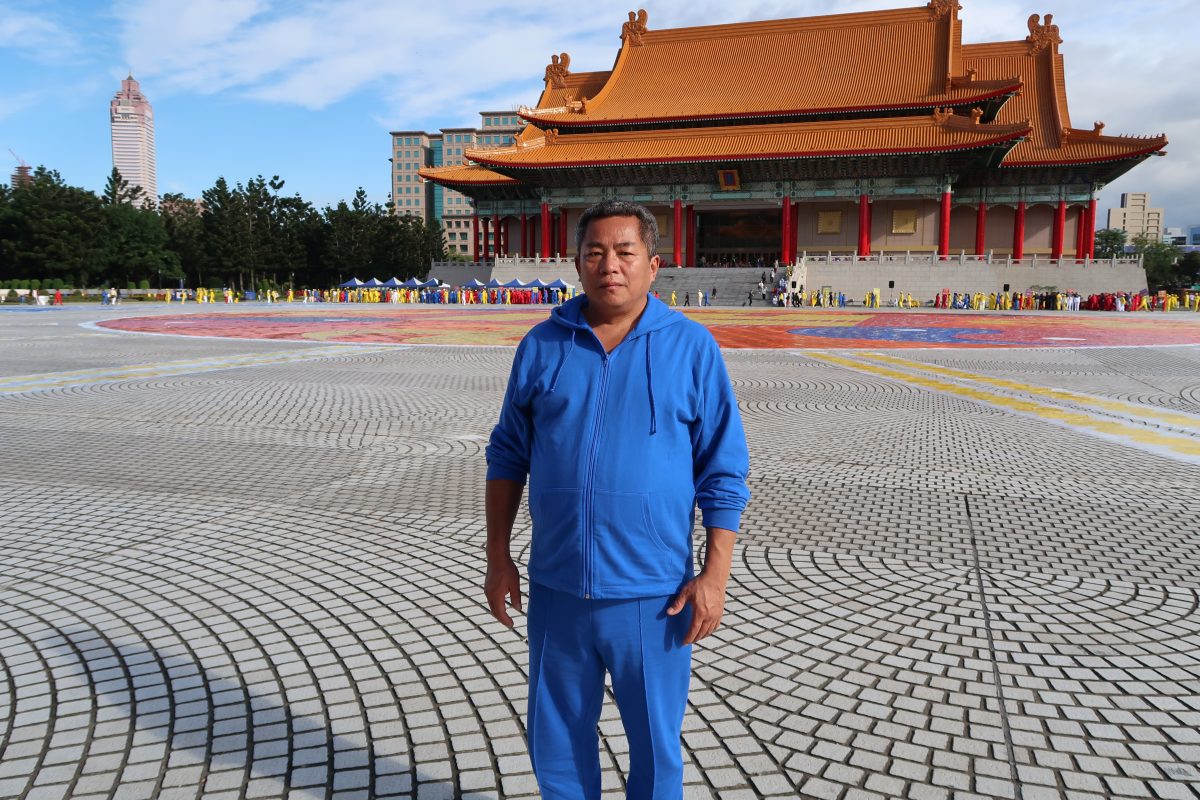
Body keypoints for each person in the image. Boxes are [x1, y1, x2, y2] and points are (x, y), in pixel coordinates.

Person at [484, 200, 750, 800]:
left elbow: (724, 469)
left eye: (625, 252)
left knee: (656, 750)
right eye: (595, 252)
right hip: (557, 591)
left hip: (654, 597)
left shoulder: (691, 348)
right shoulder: (542, 346)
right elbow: (506, 456)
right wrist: (499, 556)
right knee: (557, 747)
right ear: (577, 265)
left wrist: (716, 574)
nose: (611, 265)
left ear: (653, 265)